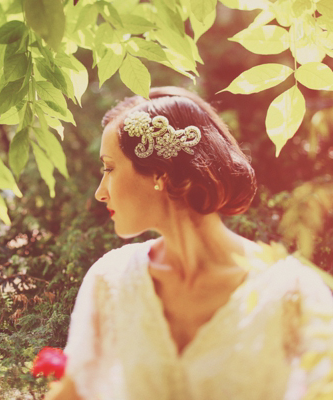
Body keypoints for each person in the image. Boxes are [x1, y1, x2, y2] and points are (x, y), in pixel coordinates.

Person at [45, 87, 333, 400]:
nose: (100, 192)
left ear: (160, 173)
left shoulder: (293, 291)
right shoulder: (109, 280)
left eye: (110, 168)